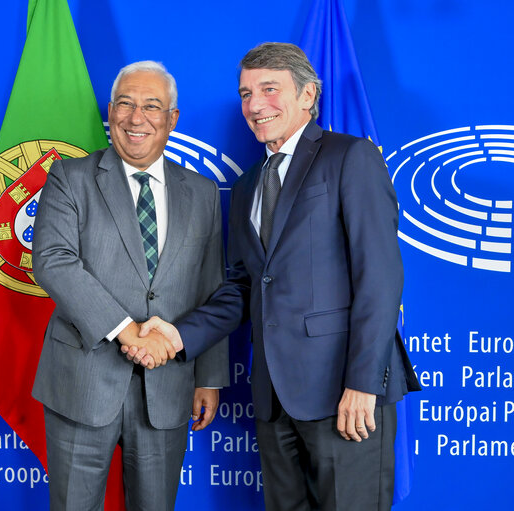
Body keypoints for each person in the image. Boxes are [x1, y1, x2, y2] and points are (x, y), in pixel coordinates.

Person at [127, 43, 421, 510]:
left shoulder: (351, 157)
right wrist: (179, 334)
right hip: (275, 402)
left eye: (269, 89)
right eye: (246, 93)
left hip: (344, 394)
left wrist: (363, 384)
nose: (255, 105)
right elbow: (244, 287)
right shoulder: (246, 187)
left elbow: (380, 278)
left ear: (308, 96)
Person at [31, 60, 229, 511]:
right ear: (111, 111)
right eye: (125, 104)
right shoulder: (69, 178)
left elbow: (210, 286)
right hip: (83, 382)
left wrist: (210, 377)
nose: (136, 118)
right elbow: (53, 261)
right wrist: (127, 330)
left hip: (169, 384)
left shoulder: (201, 193)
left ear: (172, 119)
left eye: (151, 106)